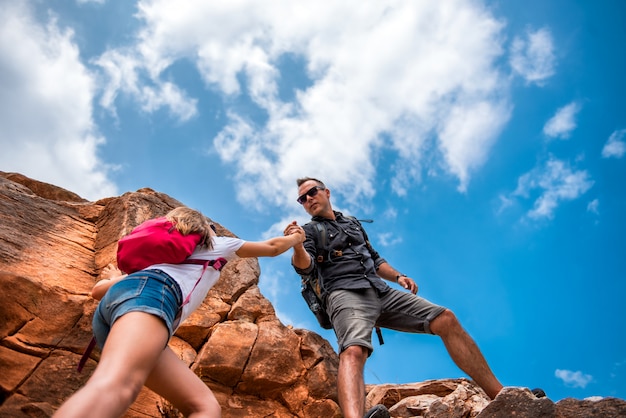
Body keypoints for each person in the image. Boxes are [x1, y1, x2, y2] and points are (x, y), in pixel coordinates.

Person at [54, 206, 305, 418]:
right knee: (117, 385)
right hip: (152, 300)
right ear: (204, 230)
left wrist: (116, 279)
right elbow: (272, 247)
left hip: (114, 313)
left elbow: (98, 291)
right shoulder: (215, 243)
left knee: (204, 407)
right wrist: (296, 239)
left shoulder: (154, 261)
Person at [287, 177, 504, 418]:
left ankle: (500, 396)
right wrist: (297, 245)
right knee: (353, 350)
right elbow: (305, 266)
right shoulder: (308, 231)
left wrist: (399, 276)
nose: (307, 199)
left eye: (312, 192)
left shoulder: (352, 224)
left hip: (381, 291)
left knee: (445, 318)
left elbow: (374, 259)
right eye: (302, 199)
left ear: (326, 192)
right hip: (345, 293)